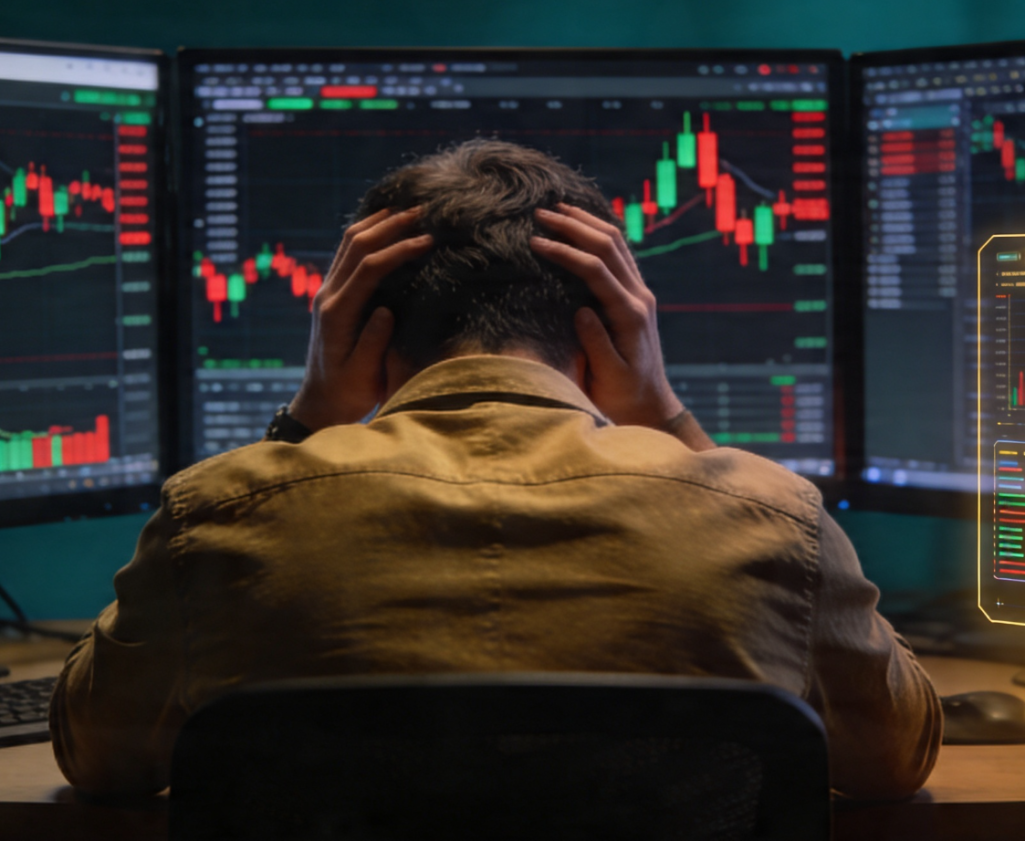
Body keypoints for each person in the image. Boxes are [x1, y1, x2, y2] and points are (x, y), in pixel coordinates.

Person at [49, 138, 941, 799]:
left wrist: (308, 417)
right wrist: (666, 415)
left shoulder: (220, 513)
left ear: (366, 339)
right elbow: (892, 762)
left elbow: (98, 760)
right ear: (609, 336)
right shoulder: (769, 517)